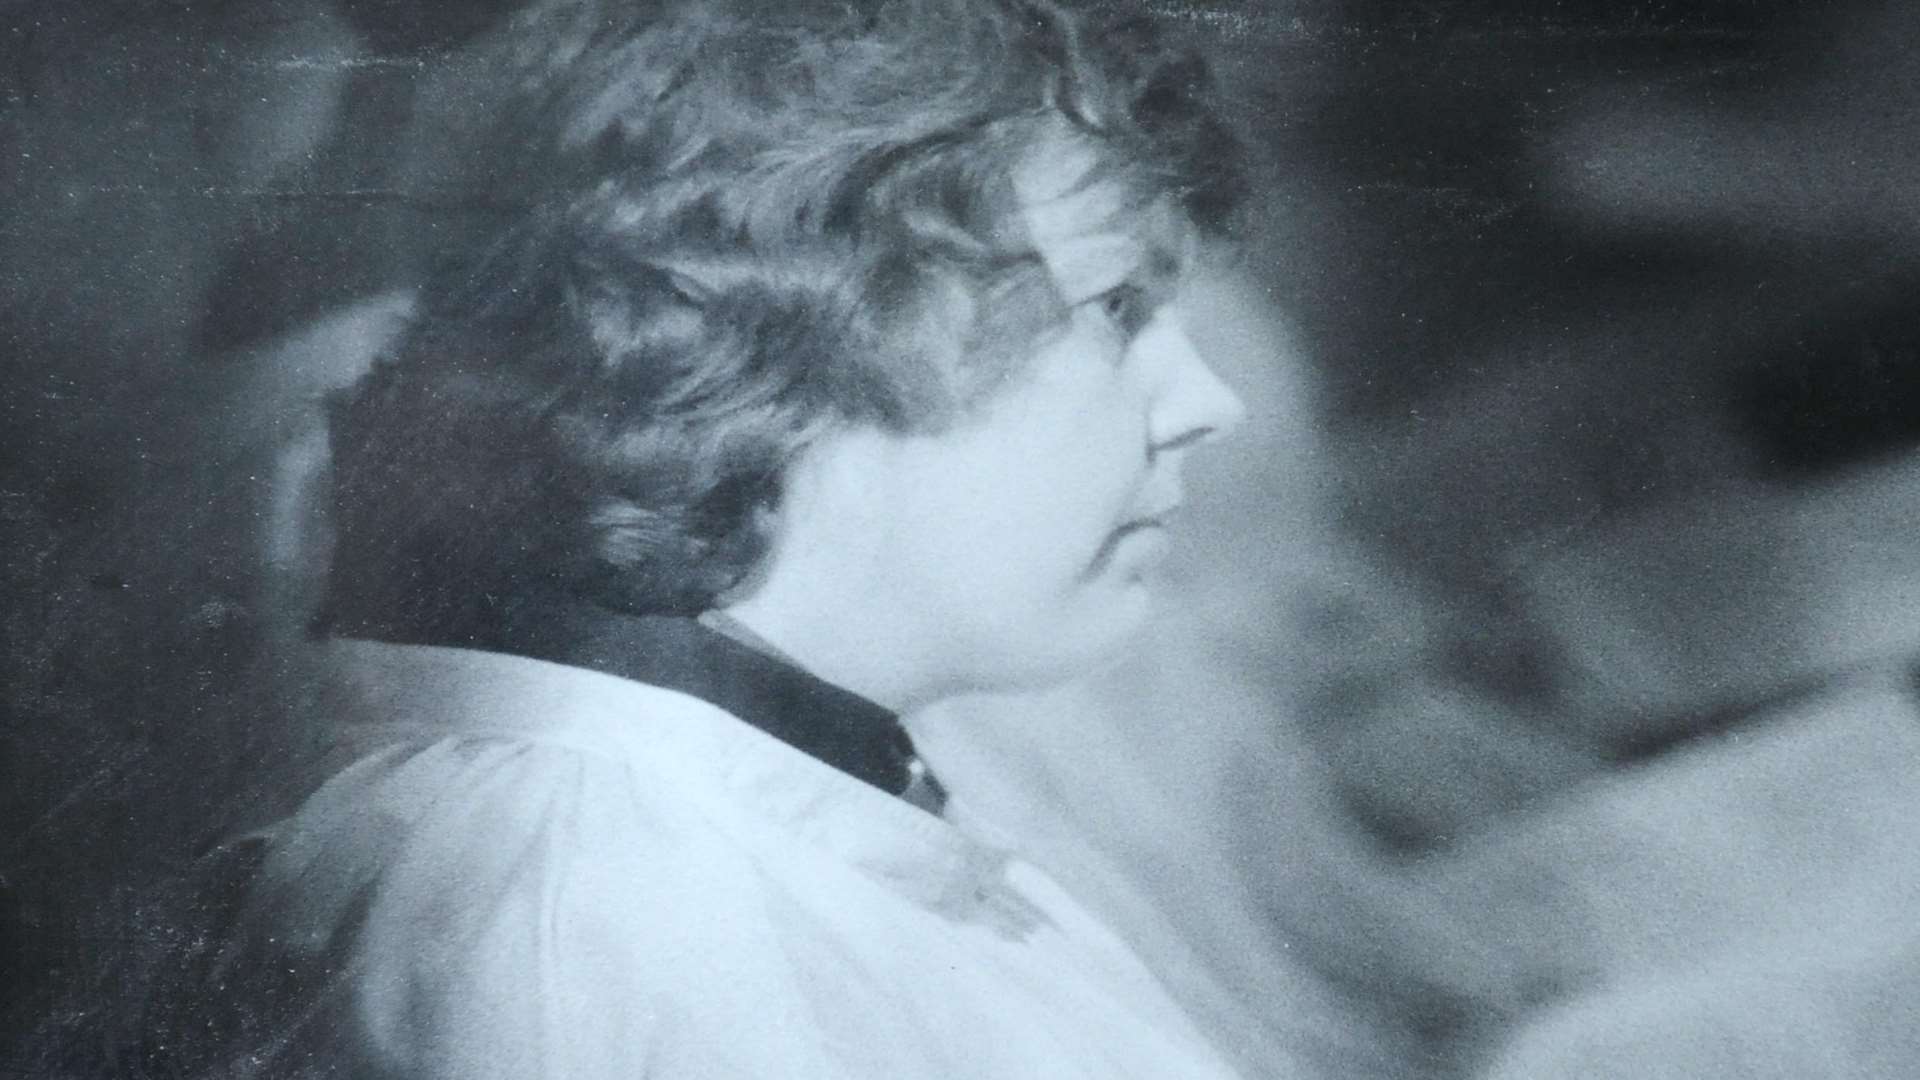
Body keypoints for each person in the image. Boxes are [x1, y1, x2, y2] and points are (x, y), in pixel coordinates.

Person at [148, 0, 1256, 1075]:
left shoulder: (739, 832)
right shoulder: (601, 929)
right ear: (816, 322)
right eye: (1117, 308)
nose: (1211, 401)